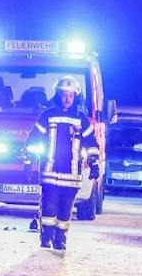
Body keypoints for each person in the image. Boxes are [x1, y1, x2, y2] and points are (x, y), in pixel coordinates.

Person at [31, 75, 99, 252]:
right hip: (50, 172)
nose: (67, 99)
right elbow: (34, 139)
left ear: (75, 96)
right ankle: (46, 238)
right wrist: (29, 159)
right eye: (64, 95)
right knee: (49, 206)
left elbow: (91, 143)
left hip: (72, 174)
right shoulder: (46, 116)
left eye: (71, 95)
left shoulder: (82, 120)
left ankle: (60, 240)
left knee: (65, 210)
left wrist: (94, 163)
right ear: (58, 95)